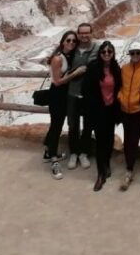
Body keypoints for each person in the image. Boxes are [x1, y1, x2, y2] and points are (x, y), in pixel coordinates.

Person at [42, 30, 82, 180]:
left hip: (65, 95)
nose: (71, 43)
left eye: (74, 41)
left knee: (56, 124)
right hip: (57, 95)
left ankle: (48, 151)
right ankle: (54, 160)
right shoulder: (58, 58)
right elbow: (58, 82)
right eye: (68, 40)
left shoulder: (68, 56)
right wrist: (76, 73)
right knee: (56, 126)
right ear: (63, 42)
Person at [83, 41, 122, 191]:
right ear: (100, 54)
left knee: (109, 139)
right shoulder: (93, 68)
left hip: (111, 110)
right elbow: (86, 89)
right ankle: (100, 174)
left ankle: (106, 164)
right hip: (98, 110)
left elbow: (119, 88)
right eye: (103, 52)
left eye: (109, 52)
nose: (106, 54)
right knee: (100, 141)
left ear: (113, 53)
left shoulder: (116, 68)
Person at [117, 40, 140, 191]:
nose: (135, 55)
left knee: (134, 139)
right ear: (129, 54)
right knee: (127, 137)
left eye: (138, 53)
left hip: (138, 110)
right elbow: (119, 85)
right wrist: (120, 97)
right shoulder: (124, 68)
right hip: (125, 109)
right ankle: (129, 166)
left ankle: (129, 169)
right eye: (132, 53)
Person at [66, 22, 99, 170]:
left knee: (88, 125)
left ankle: (84, 153)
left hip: (88, 94)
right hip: (72, 92)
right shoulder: (72, 47)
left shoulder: (96, 48)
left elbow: (91, 67)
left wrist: (82, 69)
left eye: (87, 33)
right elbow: (64, 62)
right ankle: (74, 152)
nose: (84, 35)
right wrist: (78, 70)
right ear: (78, 34)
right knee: (72, 124)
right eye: (82, 33)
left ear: (91, 33)